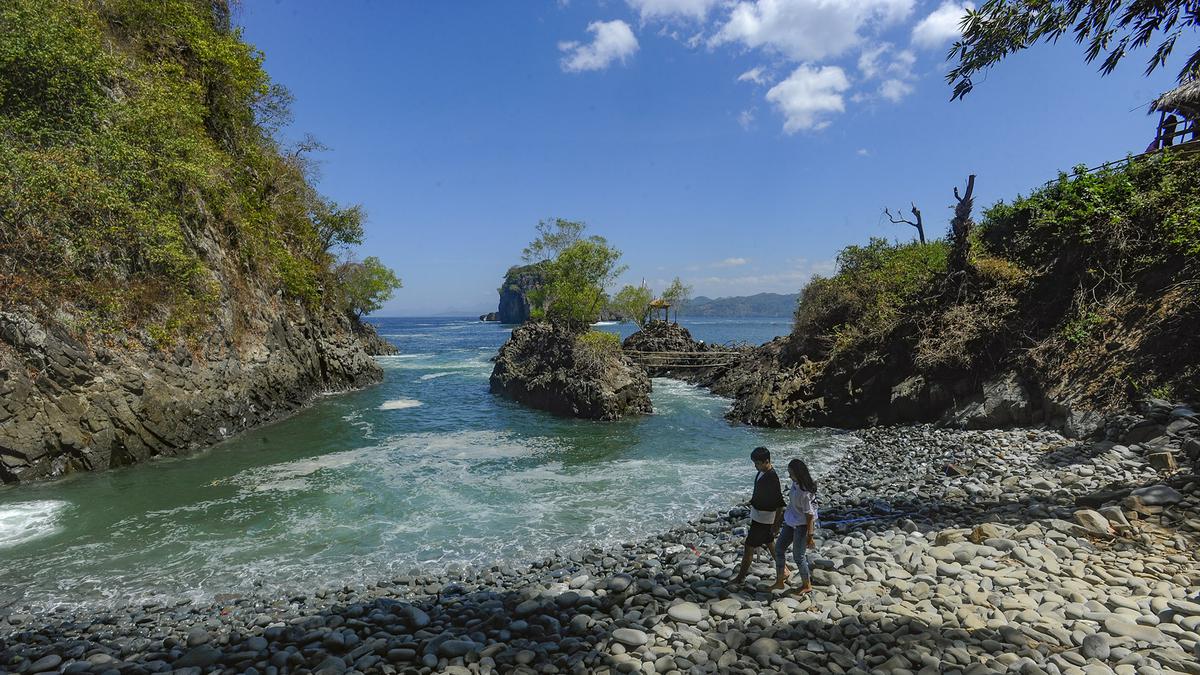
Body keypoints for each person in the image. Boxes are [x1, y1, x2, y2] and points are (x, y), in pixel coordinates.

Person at [732, 446, 786, 586]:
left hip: (764, 518)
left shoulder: (772, 477)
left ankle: (740, 577)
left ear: (766, 461)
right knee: (769, 542)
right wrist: (751, 501)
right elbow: (759, 492)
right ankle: (784, 569)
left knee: (749, 546)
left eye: (757, 463)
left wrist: (776, 524)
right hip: (758, 515)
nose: (755, 466)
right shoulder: (761, 472)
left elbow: (780, 503)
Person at [771, 458, 819, 593]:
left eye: (791, 473)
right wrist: (779, 521)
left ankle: (807, 584)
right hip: (790, 522)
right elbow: (791, 505)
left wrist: (810, 536)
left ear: (799, 473)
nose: (789, 476)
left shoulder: (805, 492)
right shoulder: (795, 484)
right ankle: (780, 581)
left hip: (802, 526)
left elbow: (810, 516)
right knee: (779, 549)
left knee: (799, 556)